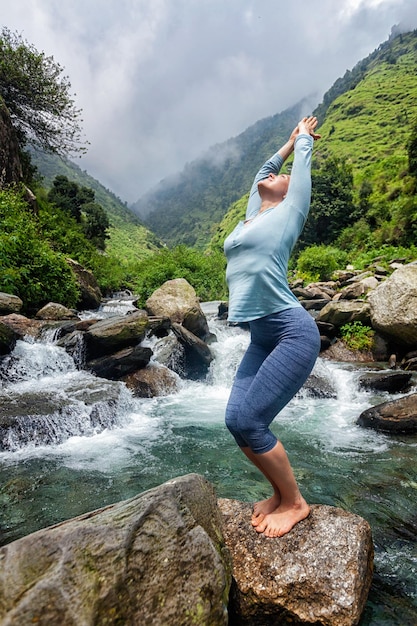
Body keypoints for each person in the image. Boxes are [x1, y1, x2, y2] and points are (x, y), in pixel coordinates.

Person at [223, 116, 321, 538]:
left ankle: (295, 503)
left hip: (291, 331)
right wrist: (284, 143)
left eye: (284, 178)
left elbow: (297, 173)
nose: (276, 177)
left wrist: (301, 141)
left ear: (288, 194)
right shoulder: (253, 216)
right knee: (235, 420)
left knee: (252, 422)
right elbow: (262, 173)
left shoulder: (289, 211)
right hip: (261, 336)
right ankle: (279, 493)